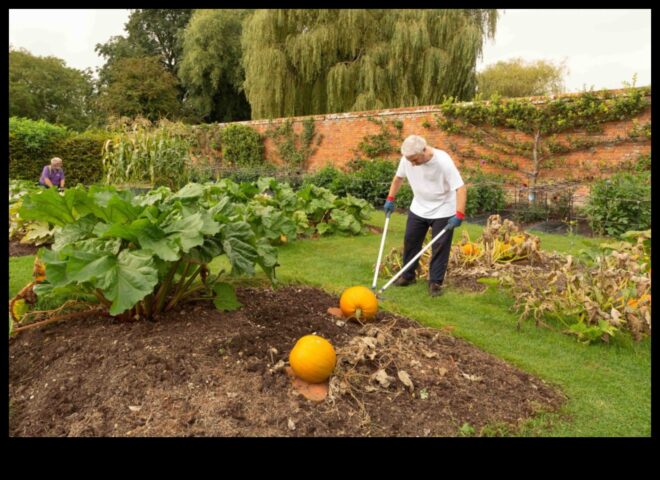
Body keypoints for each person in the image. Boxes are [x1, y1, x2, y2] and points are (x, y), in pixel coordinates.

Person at [384, 135, 467, 297]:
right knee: (411, 241)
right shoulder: (407, 159)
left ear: (424, 150)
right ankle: (408, 276)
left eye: (415, 160)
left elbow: (461, 188)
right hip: (419, 207)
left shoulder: (443, 161)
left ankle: (435, 283)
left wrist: (459, 214)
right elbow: (398, 178)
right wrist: (390, 199)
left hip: (443, 209)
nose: (412, 164)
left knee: (440, 247)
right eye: (410, 161)